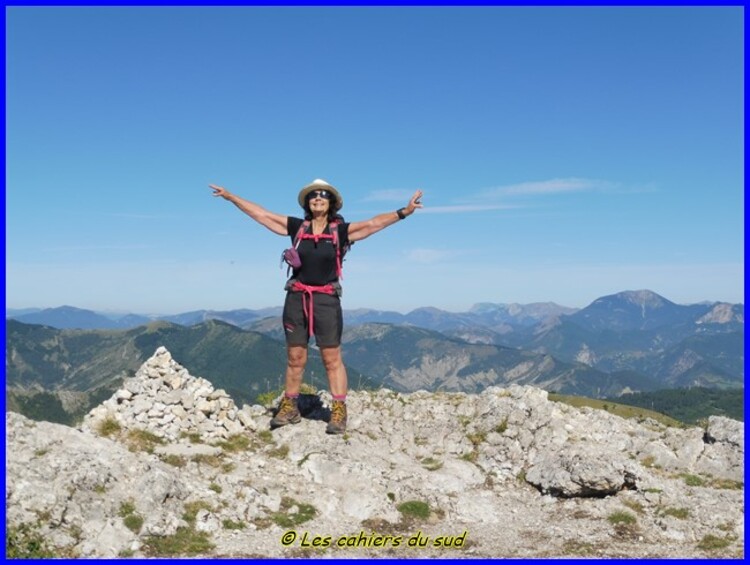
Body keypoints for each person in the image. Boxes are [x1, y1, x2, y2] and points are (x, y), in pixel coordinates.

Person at [210, 179, 423, 434]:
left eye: (323, 196)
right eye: (312, 196)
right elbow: (262, 214)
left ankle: (339, 410)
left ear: (331, 202)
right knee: (295, 357)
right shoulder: (297, 227)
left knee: (331, 358)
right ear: (307, 203)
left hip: (326, 299)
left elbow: (372, 224)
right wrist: (231, 197)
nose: (317, 199)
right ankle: (290, 406)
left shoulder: (340, 231)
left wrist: (404, 212)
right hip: (297, 297)